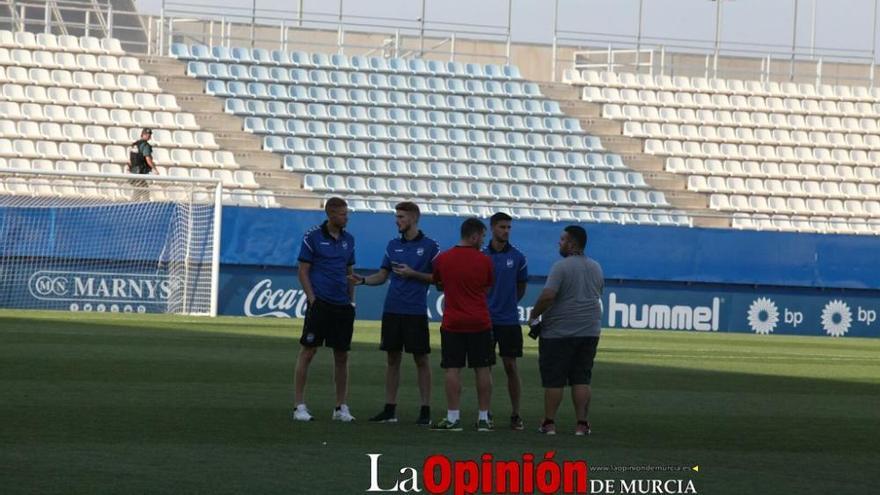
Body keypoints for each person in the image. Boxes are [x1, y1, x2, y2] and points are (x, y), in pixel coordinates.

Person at [350, 202, 440, 426]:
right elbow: (382, 275)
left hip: (415, 311)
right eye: (396, 216)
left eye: (401, 216)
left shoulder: (430, 246)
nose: (396, 220)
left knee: (421, 359)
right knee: (392, 359)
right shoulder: (392, 245)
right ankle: (390, 409)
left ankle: (425, 410)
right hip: (392, 309)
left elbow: (439, 280)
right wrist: (362, 280)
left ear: (413, 218)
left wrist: (414, 273)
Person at [528, 225, 604, 436]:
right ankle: (582, 424)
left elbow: (548, 296)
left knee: (555, 380)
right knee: (581, 378)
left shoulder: (560, 267)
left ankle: (549, 423)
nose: (559, 243)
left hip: (559, 332)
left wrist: (534, 315)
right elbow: (598, 293)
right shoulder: (596, 266)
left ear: (571, 243)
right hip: (589, 331)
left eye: (562, 240)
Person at [292, 197, 357, 423]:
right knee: (308, 352)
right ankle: (299, 405)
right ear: (331, 215)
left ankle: (340, 407)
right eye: (342, 214)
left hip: (342, 306)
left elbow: (350, 272)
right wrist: (312, 299)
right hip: (320, 304)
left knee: (341, 356)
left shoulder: (349, 240)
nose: (346, 217)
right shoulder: (312, 237)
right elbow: (303, 271)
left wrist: (351, 301)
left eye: (346, 214)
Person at [430, 218, 495, 432]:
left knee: (452, 369)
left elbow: (439, 283)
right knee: (483, 368)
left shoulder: (443, 259)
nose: (483, 241)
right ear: (474, 236)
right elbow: (486, 288)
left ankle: (453, 417)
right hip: (479, 321)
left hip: (453, 322)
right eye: (483, 236)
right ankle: (484, 417)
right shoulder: (485, 261)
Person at [483, 212, 529, 430]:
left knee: (511, 366)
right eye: (502, 227)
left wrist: (508, 303)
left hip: (509, 321)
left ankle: (516, 413)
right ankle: (486, 413)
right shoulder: (481, 255)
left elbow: (521, 287)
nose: (506, 231)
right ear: (492, 228)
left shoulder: (518, 257)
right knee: (486, 367)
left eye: (509, 227)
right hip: (485, 320)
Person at [128, 128, 157, 202]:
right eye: (147, 134)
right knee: (144, 190)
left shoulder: (135, 144)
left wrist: (129, 168)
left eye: (149, 134)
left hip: (133, 170)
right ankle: (144, 205)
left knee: (138, 189)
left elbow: (130, 159)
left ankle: (134, 204)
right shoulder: (145, 145)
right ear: (143, 134)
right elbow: (148, 158)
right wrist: (154, 168)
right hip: (140, 171)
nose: (149, 136)